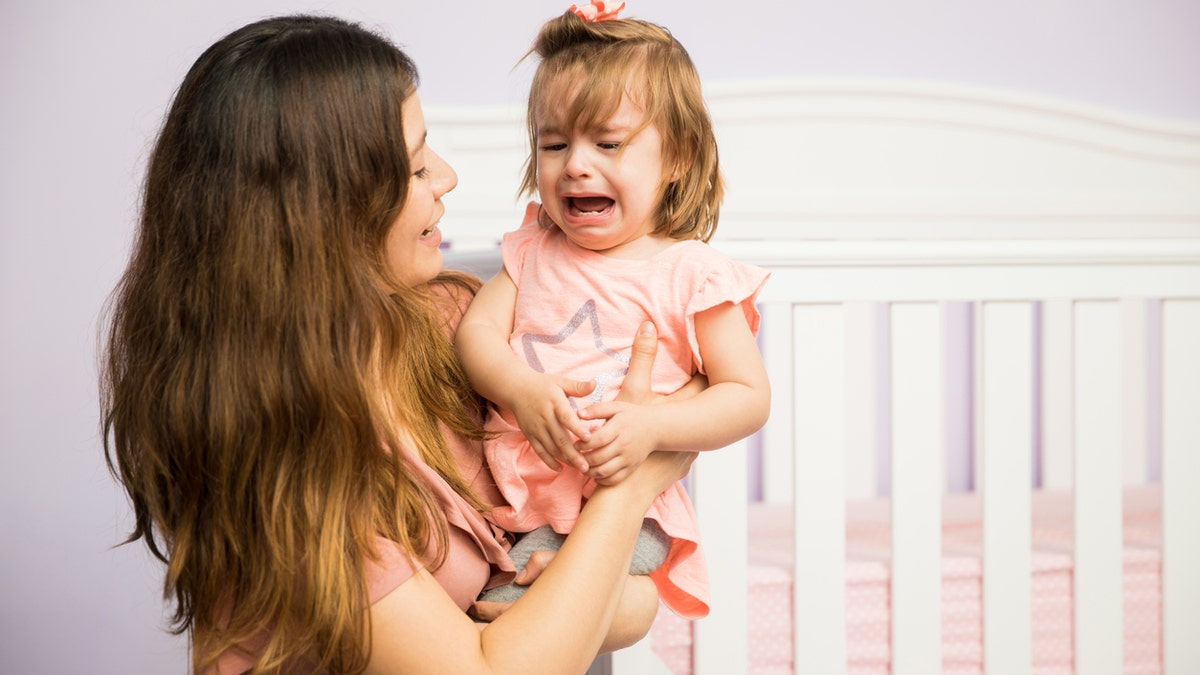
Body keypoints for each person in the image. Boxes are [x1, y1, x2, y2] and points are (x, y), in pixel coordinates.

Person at [100, 14, 698, 675]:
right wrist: (630, 484)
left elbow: (629, 592)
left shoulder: (452, 326)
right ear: (323, 210)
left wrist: (581, 592)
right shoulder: (286, 459)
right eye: (414, 166)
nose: (446, 177)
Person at [455, 3, 771, 618]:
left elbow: (747, 395)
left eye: (607, 143)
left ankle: (558, 582)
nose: (575, 164)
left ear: (677, 157)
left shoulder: (692, 274)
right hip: (510, 497)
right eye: (554, 143)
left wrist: (654, 427)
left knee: (499, 608)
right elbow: (478, 332)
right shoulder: (534, 249)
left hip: (625, 505)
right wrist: (518, 386)